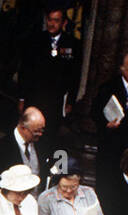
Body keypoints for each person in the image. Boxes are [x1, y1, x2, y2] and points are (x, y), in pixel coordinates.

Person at [17, 6, 79, 142]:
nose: (52, 24)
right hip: (35, 96)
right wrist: (21, 98)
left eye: (56, 21)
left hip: (55, 101)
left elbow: (74, 76)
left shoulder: (71, 44)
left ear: (64, 23)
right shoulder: (35, 40)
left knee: (49, 136)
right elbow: (25, 70)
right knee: (29, 133)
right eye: (50, 20)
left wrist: (70, 102)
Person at [0, 108, 46, 194]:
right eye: (36, 131)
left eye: (42, 130)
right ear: (23, 128)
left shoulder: (40, 143)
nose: (40, 134)